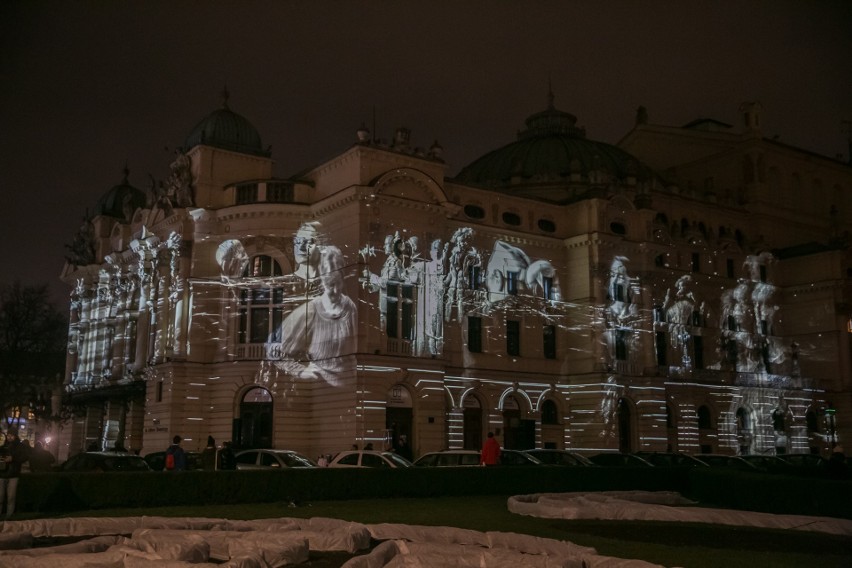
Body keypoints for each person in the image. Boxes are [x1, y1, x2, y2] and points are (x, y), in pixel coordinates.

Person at [0, 429, 28, 518]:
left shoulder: (20, 446)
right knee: (0, 497)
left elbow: (25, 457)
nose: (9, 437)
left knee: (11, 498)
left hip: (13, 475)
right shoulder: (3, 445)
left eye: (12, 435)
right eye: (8, 435)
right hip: (2, 474)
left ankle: (9, 517)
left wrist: (13, 458)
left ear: (15, 436)